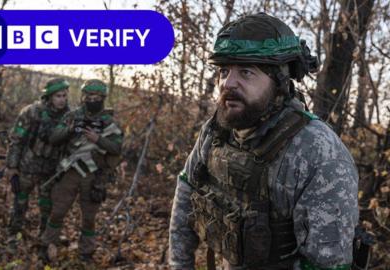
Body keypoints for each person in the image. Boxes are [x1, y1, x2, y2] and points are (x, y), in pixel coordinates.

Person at [168, 13, 359, 270]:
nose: (228, 83)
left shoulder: (317, 152)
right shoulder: (217, 131)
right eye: (224, 70)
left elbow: (327, 262)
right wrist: (180, 265)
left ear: (280, 81)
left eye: (246, 72)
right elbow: (186, 195)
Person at [39, 79, 123, 262]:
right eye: (89, 96)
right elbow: (54, 138)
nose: (92, 100)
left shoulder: (109, 122)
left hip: (94, 175)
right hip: (70, 171)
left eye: (96, 97)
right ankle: (47, 246)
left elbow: (117, 148)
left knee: (89, 217)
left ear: (102, 98)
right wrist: (71, 129)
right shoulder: (72, 116)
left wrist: (97, 139)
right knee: (58, 211)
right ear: (83, 97)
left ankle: (86, 253)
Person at [4, 78, 71, 247]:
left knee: (47, 204)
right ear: (49, 97)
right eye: (58, 96)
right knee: (20, 200)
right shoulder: (32, 112)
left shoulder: (69, 117)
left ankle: (45, 236)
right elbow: (16, 140)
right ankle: (14, 234)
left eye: (64, 95)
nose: (62, 99)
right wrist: (12, 166)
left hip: (51, 169)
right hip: (28, 165)